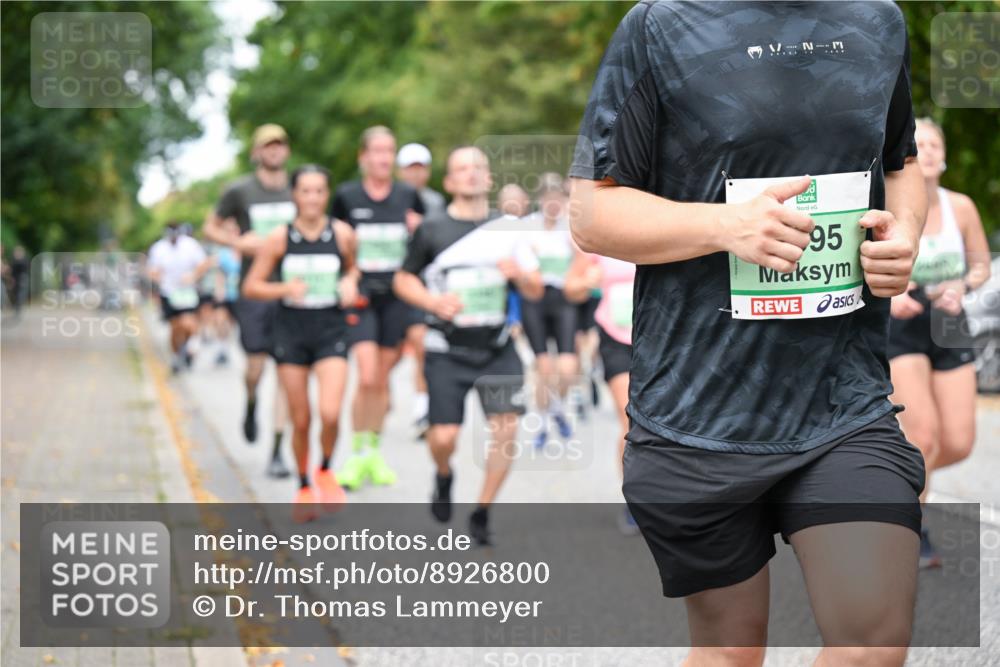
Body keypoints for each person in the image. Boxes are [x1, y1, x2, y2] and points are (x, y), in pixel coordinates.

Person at [569, 3, 928, 665]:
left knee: (871, 646)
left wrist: (904, 234)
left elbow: (901, 163)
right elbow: (591, 212)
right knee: (730, 653)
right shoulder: (661, 25)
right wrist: (724, 226)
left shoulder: (878, 20)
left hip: (842, 402)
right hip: (698, 412)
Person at [394, 146, 543, 545]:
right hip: (447, 348)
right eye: (462, 168)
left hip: (497, 346)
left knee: (506, 429)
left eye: (479, 167)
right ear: (449, 181)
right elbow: (403, 279)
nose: (472, 174)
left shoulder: (509, 229)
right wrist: (432, 302)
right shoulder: (432, 229)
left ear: (489, 178)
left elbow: (536, 287)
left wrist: (520, 276)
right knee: (443, 438)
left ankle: (482, 510)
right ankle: (444, 475)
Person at [888, 118, 991, 568]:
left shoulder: (960, 207)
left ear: (944, 155)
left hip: (948, 321)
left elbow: (981, 266)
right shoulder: (886, 203)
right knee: (923, 437)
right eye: (919, 143)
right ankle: (909, 529)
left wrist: (962, 285)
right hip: (902, 323)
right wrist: (889, 294)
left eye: (935, 144)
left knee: (958, 441)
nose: (927, 150)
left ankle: (888, 485)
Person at [243, 164, 359, 523]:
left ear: (327, 195)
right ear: (295, 195)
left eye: (319, 191)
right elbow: (252, 286)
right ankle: (304, 484)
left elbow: (353, 268)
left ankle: (325, 468)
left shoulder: (342, 234)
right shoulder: (280, 237)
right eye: (305, 191)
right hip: (291, 333)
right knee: (302, 419)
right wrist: (284, 288)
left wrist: (351, 282)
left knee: (330, 412)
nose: (312, 198)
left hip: (331, 331)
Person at [331, 126, 425, 489]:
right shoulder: (347, 196)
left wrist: (417, 231)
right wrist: (345, 274)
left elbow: (422, 244)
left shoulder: (408, 195)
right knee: (367, 375)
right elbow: (333, 243)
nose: (384, 158)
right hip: (363, 295)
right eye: (378, 151)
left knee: (382, 379)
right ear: (363, 157)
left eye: (389, 151)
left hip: (396, 296)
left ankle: (373, 450)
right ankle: (356, 453)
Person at [204, 123, 294, 479]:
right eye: (267, 145)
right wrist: (238, 243)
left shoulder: (298, 189)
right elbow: (210, 226)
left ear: (286, 150)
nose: (274, 150)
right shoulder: (240, 191)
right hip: (254, 291)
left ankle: (277, 451)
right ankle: (252, 402)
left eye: (280, 144)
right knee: (256, 367)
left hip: (290, 290)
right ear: (257, 152)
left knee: (287, 372)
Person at [565, 252, 636, 534]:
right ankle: (635, 501)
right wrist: (586, 282)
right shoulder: (605, 238)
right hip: (617, 338)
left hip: (662, 338)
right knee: (630, 419)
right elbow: (570, 287)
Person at [521, 173, 579, 448]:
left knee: (567, 368)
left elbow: (586, 260)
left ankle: (556, 408)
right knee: (544, 368)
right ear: (540, 200)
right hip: (535, 300)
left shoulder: (571, 227)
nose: (553, 204)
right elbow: (520, 265)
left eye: (558, 198)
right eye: (549, 198)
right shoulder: (527, 227)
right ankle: (544, 423)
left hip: (563, 299)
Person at [396, 142, 446, 435]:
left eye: (420, 168)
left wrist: (422, 225)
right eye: (410, 168)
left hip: (421, 281)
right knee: (387, 356)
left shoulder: (435, 202)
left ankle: (422, 406)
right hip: (388, 282)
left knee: (421, 343)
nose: (415, 174)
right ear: (400, 171)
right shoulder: (391, 198)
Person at [148, 222, 209, 374]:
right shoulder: (158, 248)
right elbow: (152, 270)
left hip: (187, 292)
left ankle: (189, 347)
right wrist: (158, 277)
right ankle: (176, 356)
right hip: (169, 292)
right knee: (175, 327)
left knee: (188, 323)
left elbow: (203, 264)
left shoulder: (191, 245)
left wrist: (193, 275)